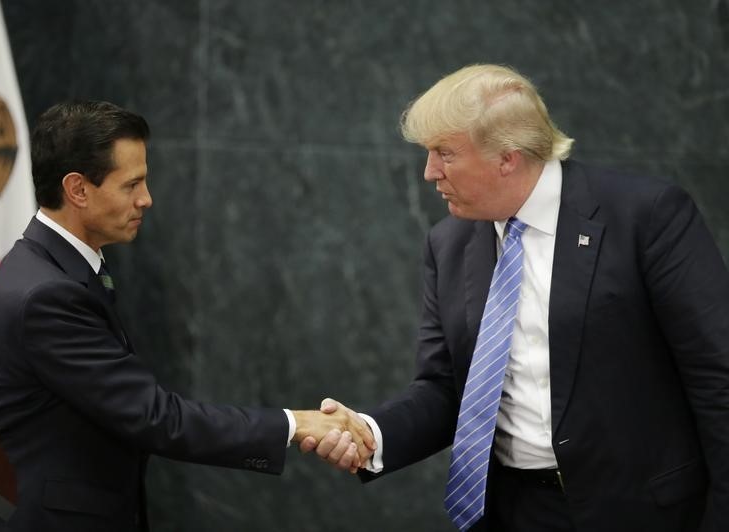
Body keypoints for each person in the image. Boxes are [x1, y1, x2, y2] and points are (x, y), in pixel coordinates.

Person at [305, 64, 729, 531]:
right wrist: (371, 433)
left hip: (641, 513)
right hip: (515, 512)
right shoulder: (449, 244)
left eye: (444, 153)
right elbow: (448, 389)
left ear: (508, 157)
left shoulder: (645, 217)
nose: (429, 173)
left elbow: (718, 377)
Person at [0, 101, 374, 532]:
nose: (146, 199)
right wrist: (295, 423)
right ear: (78, 189)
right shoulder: (48, 293)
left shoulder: (55, 268)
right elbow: (156, 418)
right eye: (131, 184)